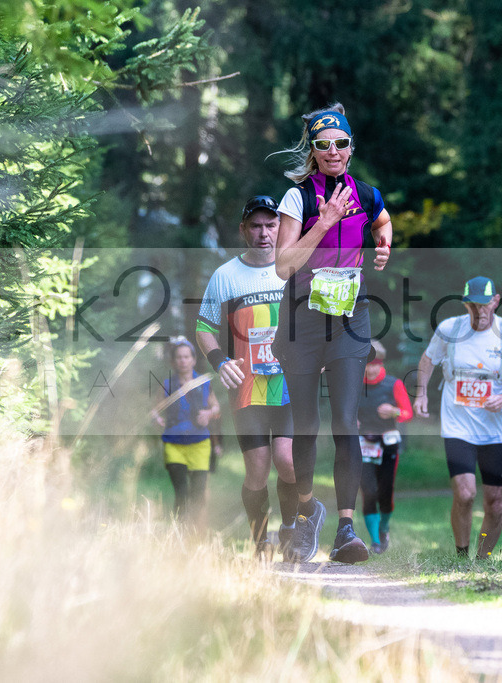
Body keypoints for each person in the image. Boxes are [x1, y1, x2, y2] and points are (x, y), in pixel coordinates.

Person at [272, 103, 392, 564]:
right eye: (324, 145)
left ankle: (346, 528)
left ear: (350, 147)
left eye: (341, 143)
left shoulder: (367, 193)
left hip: (349, 320)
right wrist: (323, 222)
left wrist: (384, 246)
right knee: (306, 426)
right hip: (302, 322)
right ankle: (306, 515)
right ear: (314, 150)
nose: (334, 151)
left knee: (346, 421)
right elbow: (284, 266)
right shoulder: (296, 199)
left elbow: (382, 222)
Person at [196, 195, 297, 559]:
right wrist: (220, 360)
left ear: (281, 228)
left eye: (271, 225)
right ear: (243, 230)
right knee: (257, 469)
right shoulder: (225, 275)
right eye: (256, 226)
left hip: (288, 388)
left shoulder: (296, 268)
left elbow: (318, 321)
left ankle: (291, 530)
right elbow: (204, 328)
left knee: (287, 460)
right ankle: (259, 541)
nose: (264, 233)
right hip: (247, 388)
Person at [413, 276, 502, 559]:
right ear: (465, 303)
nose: (479, 312)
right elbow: (427, 359)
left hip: (496, 430)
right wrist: (421, 394)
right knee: (465, 494)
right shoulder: (449, 329)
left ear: (496, 301)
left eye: (484, 305)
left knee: (496, 503)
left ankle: (483, 558)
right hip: (458, 426)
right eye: (472, 305)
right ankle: (461, 555)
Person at [151, 337, 221, 530]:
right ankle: (180, 533)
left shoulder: (204, 383)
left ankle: (196, 535)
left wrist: (208, 413)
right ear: (173, 362)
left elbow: (216, 407)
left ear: (193, 359)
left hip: (200, 444)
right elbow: (154, 410)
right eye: (179, 357)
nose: (182, 360)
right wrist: (156, 418)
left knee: (198, 494)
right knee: (181, 491)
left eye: (186, 357)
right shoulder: (166, 385)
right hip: (174, 444)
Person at [358, 339, 413, 554]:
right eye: (366, 363)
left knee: (385, 492)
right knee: (369, 491)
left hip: (388, 443)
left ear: (381, 362)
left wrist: (394, 412)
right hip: (364, 444)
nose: (370, 369)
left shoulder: (394, 384)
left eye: (375, 363)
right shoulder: (355, 385)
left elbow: (408, 414)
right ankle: (376, 542)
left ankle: (384, 527)